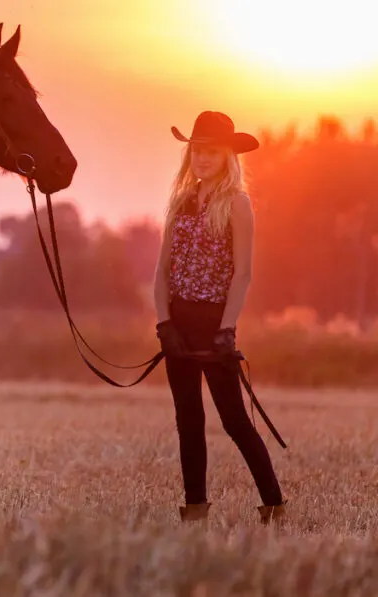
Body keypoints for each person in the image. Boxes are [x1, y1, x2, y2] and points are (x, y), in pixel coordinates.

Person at [152, 110, 286, 525]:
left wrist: (227, 329)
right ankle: (195, 509)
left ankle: (274, 506)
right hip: (179, 319)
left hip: (215, 322)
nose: (203, 159)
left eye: (211, 152)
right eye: (197, 152)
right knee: (188, 421)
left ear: (228, 156)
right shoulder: (179, 202)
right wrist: (163, 323)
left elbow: (242, 273)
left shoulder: (238, 205)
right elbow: (162, 270)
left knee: (233, 421)